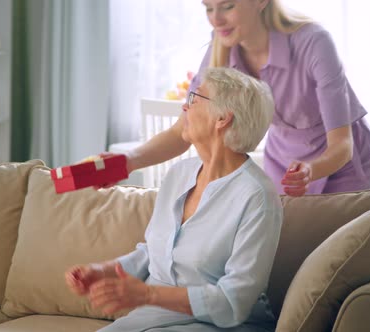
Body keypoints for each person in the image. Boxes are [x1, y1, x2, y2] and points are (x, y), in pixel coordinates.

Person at [66, 67, 283, 331]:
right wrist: (102, 272)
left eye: (194, 98)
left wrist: (148, 295)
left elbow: (233, 301)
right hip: (156, 317)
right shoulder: (179, 174)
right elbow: (156, 252)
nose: (184, 107)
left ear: (222, 118)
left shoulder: (257, 197)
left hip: (224, 326)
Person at [112, 0, 370, 197]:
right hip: (284, 164)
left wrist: (311, 170)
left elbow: (342, 145)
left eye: (227, 6)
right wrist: (127, 161)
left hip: (341, 165)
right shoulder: (222, 48)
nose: (216, 19)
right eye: (208, 8)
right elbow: (182, 130)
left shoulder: (313, 42)